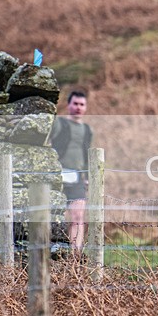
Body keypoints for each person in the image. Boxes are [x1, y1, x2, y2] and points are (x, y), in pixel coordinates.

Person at [50, 91, 93, 256]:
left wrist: (88, 178)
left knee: (77, 217)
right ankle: (54, 253)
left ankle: (76, 256)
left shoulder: (87, 130)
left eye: (82, 104)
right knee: (53, 218)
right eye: (75, 104)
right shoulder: (59, 124)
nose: (78, 108)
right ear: (68, 105)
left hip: (77, 179)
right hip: (56, 177)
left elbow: (88, 154)